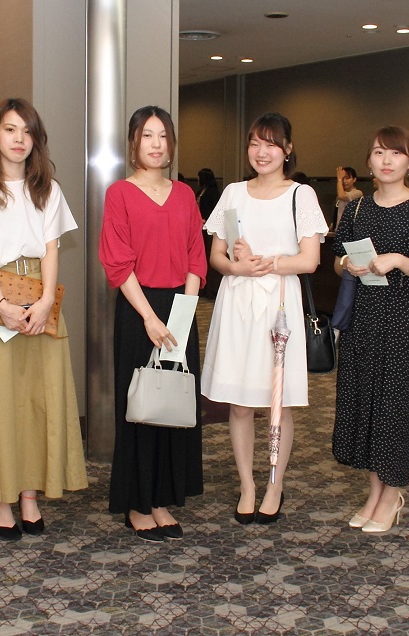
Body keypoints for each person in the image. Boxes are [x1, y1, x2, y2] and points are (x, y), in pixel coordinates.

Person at [0, 98, 88, 541]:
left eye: (26, 132)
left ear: (36, 140)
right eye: (10, 129)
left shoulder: (47, 190)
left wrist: (45, 300)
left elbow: (51, 250)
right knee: (0, 397)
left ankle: (29, 494)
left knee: (39, 397)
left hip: (41, 299)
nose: (18, 139)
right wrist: (2, 306)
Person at [201, 112, 328, 525]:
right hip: (238, 302)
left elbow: (310, 261)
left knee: (278, 402)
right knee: (240, 403)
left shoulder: (301, 195)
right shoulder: (234, 192)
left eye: (271, 144)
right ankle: (247, 485)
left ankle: (275, 483)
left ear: (287, 149)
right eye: (255, 143)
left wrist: (268, 263)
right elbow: (216, 256)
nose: (262, 152)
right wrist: (237, 267)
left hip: (279, 305)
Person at [332, 125, 409, 533]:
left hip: (399, 323)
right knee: (363, 404)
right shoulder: (359, 209)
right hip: (362, 321)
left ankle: (392, 493)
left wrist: (398, 260)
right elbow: (338, 261)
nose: (386, 160)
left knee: (393, 408)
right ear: (369, 161)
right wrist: (348, 264)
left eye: (396, 153)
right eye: (379, 152)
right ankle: (374, 493)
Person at [99, 105, 207, 542]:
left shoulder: (184, 195)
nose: (157, 144)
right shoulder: (119, 194)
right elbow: (117, 262)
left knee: (174, 404)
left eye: (163, 136)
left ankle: (162, 498)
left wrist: (183, 314)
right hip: (138, 309)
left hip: (181, 309)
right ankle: (137, 502)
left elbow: (196, 256)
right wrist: (149, 317)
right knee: (141, 405)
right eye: (147, 135)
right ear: (133, 143)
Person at [197, 168, 222, 299]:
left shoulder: (213, 193)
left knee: (209, 255)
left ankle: (210, 290)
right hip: (200, 228)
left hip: (209, 229)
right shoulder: (201, 191)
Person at [333, 166, 363, 231]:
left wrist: (339, 179)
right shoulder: (340, 193)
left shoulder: (358, 193)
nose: (344, 181)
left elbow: (342, 196)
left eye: (347, 178)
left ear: (354, 179)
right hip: (339, 228)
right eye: (343, 178)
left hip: (350, 229)